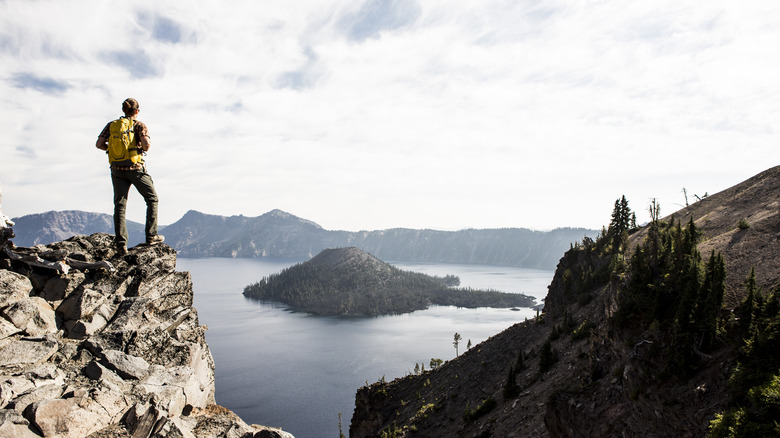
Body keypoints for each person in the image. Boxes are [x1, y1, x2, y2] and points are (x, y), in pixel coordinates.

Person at [96, 98, 164, 254]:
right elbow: (146, 145)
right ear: (137, 111)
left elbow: (99, 144)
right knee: (152, 199)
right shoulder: (139, 125)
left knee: (120, 205)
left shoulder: (112, 126)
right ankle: (151, 236)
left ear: (123, 110)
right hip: (135, 168)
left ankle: (121, 244)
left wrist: (111, 150)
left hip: (116, 170)